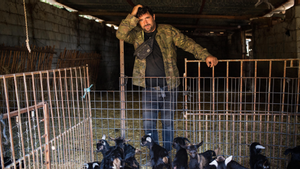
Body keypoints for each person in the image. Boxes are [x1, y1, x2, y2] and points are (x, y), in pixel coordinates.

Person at [116, 5, 218, 152]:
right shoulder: (137, 35)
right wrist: (132, 15)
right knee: (149, 124)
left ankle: (167, 154)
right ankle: (155, 154)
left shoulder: (167, 31)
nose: (145, 22)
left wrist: (205, 55)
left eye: (147, 18)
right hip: (149, 87)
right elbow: (120, 34)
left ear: (154, 17)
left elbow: (187, 43)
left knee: (168, 123)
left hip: (169, 86)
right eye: (141, 20)